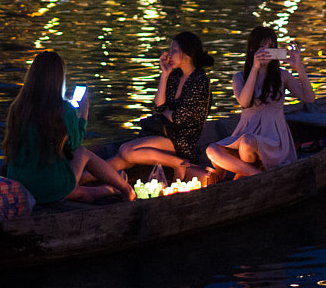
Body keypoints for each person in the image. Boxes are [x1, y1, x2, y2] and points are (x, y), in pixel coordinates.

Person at [2, 51, 134, 205]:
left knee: (81, 194)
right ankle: (126, 189)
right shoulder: (64, 109)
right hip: (49, 186)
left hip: (19, 182)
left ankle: (110, 190)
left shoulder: (18, 107)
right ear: (59, 79)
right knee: (83, 153)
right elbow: (73, 144)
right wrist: (83, 112)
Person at [206, 27, 313, 177]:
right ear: (252, 49)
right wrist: (255, 68)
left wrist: (298, 65)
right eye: (262, 47)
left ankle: (242, 173)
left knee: (246, 144)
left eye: (271, 47)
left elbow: (309, 98)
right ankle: (256, 174)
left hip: (273, 139)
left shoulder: (283, 76)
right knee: (212, 149)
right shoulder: (240, 77)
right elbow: (244, 102)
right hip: (247, 133)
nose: (267, 51)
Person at [108, 31, 214, 179]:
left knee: (126, 150)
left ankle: (179, 163)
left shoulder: (200, 81)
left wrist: (165, 112)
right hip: (162, 133)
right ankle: (79, 180)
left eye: (174, 50)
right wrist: (164, 74)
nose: (169, 54)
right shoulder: (174, 75)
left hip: (182, 140)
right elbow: (158, 107)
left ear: (187, 54)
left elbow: (179, 119)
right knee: (118, 159)